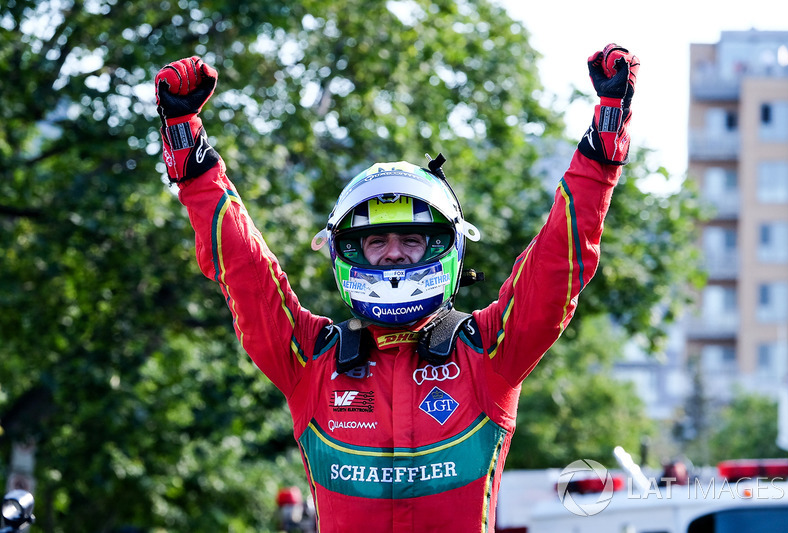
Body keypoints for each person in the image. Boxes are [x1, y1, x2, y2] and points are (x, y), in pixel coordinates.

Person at [154, 43, 639, 532]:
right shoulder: (308, 358)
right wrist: (190, 152)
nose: (393, 254)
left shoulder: (490, 351)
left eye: (411, 239)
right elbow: (244, 268)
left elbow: (559, 262)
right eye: (376, 241)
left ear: (447, 248)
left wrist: (603, 142)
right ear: (344, 251)